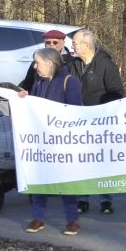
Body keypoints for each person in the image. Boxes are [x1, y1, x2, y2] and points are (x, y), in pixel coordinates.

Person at [20, 48, 83, 235]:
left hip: (63, 141)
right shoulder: (38, 81)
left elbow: (75, 111)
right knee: (40, 178)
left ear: (49, 63)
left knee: (66, 181)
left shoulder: (69, 82)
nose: (34, 66)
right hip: (42, 141)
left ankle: (72, 220)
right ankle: (38, 217)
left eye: (37, 62)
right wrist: (25, 98)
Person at [70, 28, 125, 215]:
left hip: (101, 121)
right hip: (78, 121)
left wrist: (102, 111)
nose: (73, 46)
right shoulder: (73, 64)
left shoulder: (105, 65)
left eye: (75, 43)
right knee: (82, 160)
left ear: (86, 45)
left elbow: (116, 92)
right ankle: (82, 199)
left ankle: (105, 200)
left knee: (101, 161)